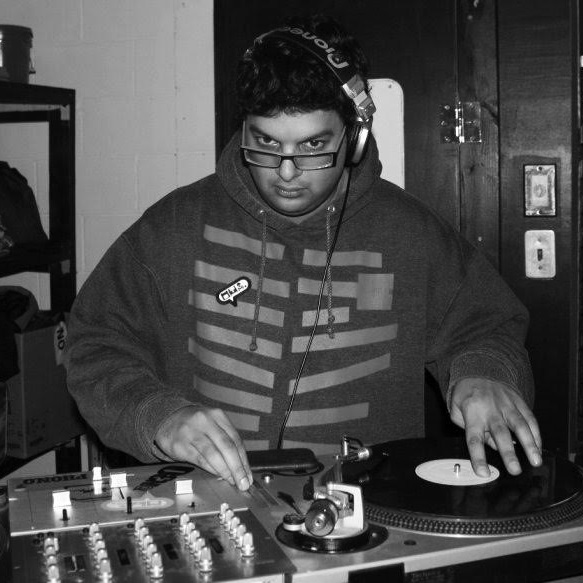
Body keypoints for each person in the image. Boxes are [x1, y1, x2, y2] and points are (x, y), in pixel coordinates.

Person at [64, 14, 542, 492]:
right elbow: (96, 343)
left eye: (313, 145)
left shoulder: (413, 234)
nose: (287, 171)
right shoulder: (173, 226)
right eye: (266, 143)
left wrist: (484, 373)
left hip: (367, 508)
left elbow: (486, 326)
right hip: (213, 503)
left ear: (354, 137)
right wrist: (158, 416)